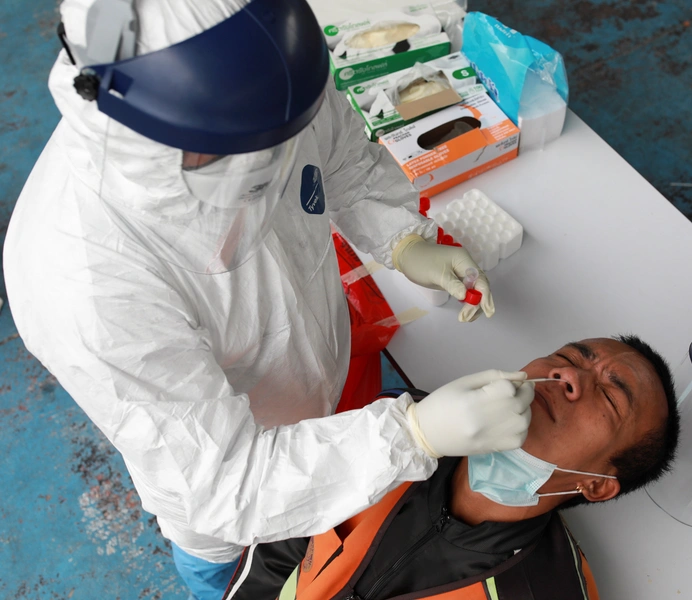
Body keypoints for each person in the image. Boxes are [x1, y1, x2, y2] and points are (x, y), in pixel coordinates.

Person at [1, 1, 534, 598]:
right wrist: (409, 438)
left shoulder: (270, 81)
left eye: (280, 138)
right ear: (138, 127)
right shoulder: (85, 283)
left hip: (331, 391)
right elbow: (228, 483)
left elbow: (341, 159)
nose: (273, 165)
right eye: (237, 154)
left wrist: (403, 238)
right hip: (243, 515)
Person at [223, 336, 681, 600]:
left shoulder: (546, 591)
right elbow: (280, 540)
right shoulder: (401, 428)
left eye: (609, 395)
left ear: (598, 485)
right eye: (568, 357)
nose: (569, 376)